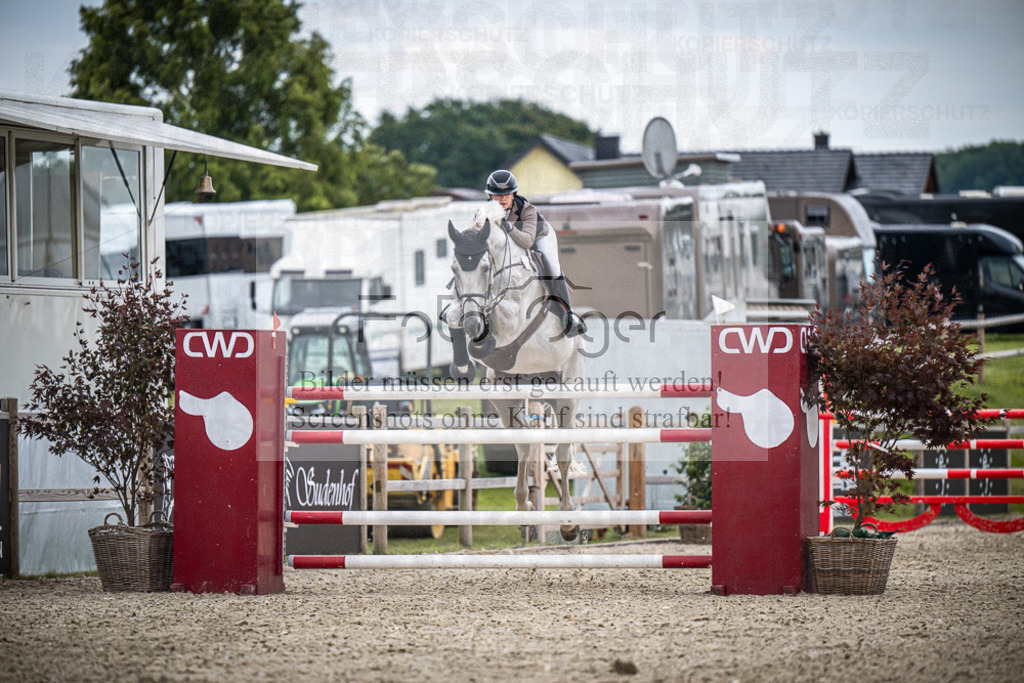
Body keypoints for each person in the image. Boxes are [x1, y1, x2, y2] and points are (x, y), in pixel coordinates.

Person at [485, 169, 587, 337]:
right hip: (509, 244)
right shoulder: (483, 212)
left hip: (538, 236)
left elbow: (526, 241)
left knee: (552, 267)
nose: (502, 198)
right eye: (497, 194)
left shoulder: (527, 211)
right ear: (490, 196)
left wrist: (507, 226)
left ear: (513, 194)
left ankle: (568, 315)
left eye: (507, 194)